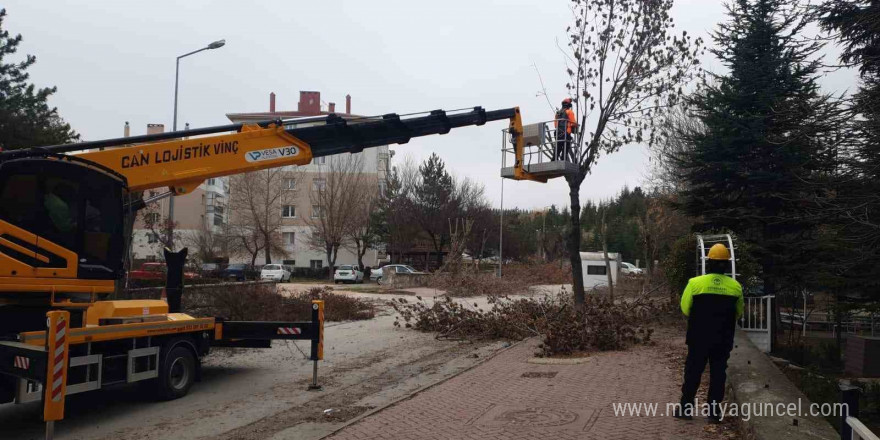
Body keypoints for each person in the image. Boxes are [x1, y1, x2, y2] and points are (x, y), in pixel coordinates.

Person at [675, 243, 743, 422]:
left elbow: (685, 308)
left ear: (709, 262)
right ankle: (713, 413)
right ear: (727, 264)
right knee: (718, 374)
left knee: (693, 372)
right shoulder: (736, 287)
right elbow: (739, 312)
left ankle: (685, 409)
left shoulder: (695, 283)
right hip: (723, 338)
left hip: (698, 337)